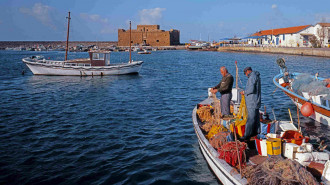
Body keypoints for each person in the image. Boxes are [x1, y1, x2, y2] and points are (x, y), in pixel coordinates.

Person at [240, 67, 261, 141]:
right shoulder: (256, 76)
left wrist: (244, 92)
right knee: (256, 118)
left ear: (248, 71)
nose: (246, 75)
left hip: (252, 101)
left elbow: (251, 89)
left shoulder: (252, 77)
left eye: (245, 73)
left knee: (250, 119)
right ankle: (256, 133)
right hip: (256, 100)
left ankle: (247, 135)